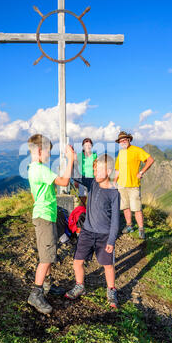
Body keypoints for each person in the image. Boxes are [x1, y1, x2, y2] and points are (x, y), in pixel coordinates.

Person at [27, 134, 75, 314]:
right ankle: (36, 294)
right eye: (48, 152)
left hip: (44, 215)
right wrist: (70, 160)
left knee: (48, 251)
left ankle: (47, 286)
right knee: (47, 257)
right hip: (45, 217)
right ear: (40, 151)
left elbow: (34, 195)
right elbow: (64, 181)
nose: (48, 155)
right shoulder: (40, 169)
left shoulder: (32, 169)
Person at [65, 154, 120, 308]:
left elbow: (116, 219)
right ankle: (80, 286)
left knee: (108, 265)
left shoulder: (114, 193)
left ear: (108, 171)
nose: (95, 174)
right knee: (77, 261)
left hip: (104, 236)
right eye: (94, 170)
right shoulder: (93, 183)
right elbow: (76, 176)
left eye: (99, 171)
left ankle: (111, 290)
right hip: (87, 232)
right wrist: (73, 158)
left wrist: (111, 240)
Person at [114, 131, 154, 240]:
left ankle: (141, 229)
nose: (122, 142)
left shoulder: (137, 150)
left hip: (133, 185)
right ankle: (129, 225)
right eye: (120, 141)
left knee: (137, 208)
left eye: (124, 140)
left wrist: (141, 172)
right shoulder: (121, 153)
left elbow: (150, 160)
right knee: (125, 207)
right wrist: (114, 181)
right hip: (121, 185)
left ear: (129, 140)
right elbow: (117, 169)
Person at [74, 138, 97, 205]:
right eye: (85, 145)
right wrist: (76, 180)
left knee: (92, 198)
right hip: (82, 179)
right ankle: (82, 213)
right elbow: (75, 167)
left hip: (92, 179)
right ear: (83, 146)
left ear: (91, 146)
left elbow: (96, 167)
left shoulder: (94, 155)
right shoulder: (79, 155)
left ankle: (91, 213)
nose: (87, 146)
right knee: (83, 199)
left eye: (89, 145)